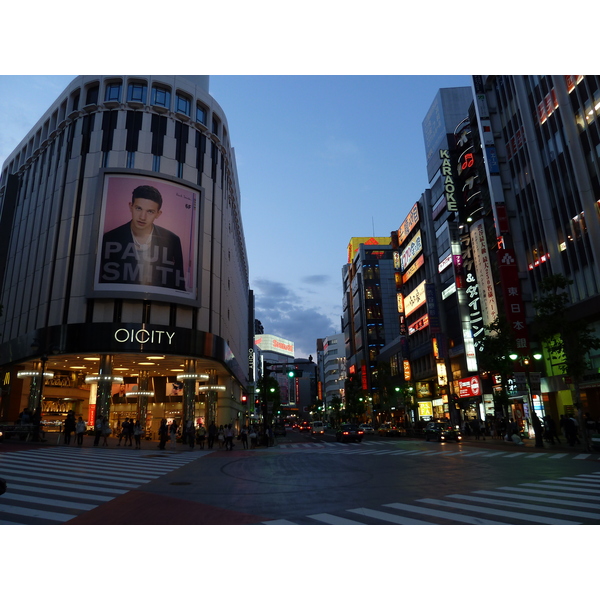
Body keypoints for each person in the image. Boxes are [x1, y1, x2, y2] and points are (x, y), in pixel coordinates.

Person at [99, 185, 186, 291]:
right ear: (131, 206)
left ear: (158, 214)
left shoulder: (172, 240)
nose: (142, 217)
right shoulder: (110, 238)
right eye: (138, 208)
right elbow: (102, 281)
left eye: (150, 211)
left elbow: (179, 285)